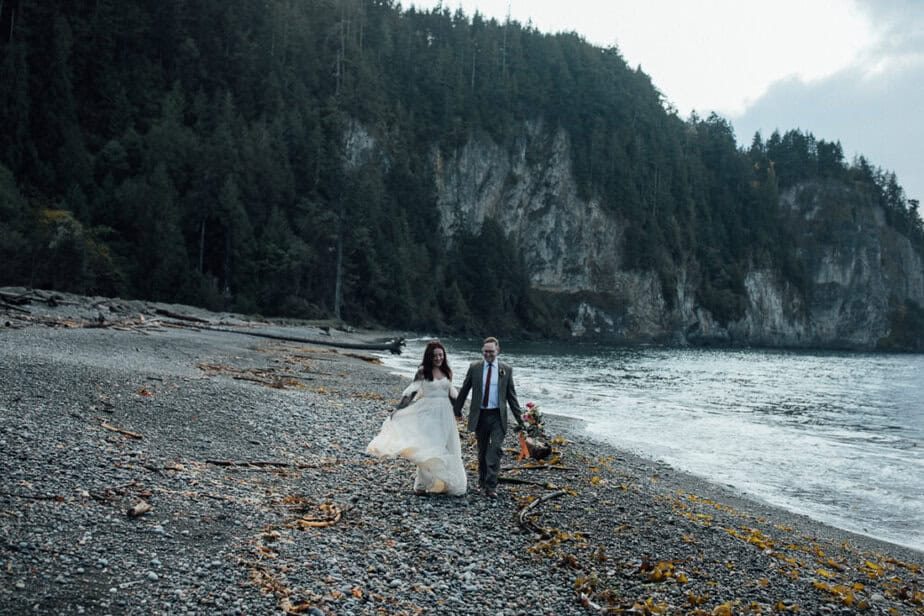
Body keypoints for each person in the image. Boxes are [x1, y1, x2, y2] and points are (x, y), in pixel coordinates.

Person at [366, 340, 467, 496]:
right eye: (435, 356)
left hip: (445, 414)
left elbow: (451, 393)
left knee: (446, 447)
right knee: (428, 447)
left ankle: (441, 483)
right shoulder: (422, 371)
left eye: (441, 355)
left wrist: (458, 411)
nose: (439, 358)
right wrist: (398, 409)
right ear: (429, 357)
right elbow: (411, 392)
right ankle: (421, 484)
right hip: (428, 413)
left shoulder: (447, 371)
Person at [453, 337, 526, 498]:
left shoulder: (506, 369)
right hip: (480, 415)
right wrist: (456, 410)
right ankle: (481, 483)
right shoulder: (475, 368)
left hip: (497, 417)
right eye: (485, 351)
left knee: (495, 449)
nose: (488, 354)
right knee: (482, 451)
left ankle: (491, 486)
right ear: (482, 351)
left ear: (497, 351)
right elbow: (465, 389)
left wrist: (521, 420)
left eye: (491, 351)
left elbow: (511, 397)